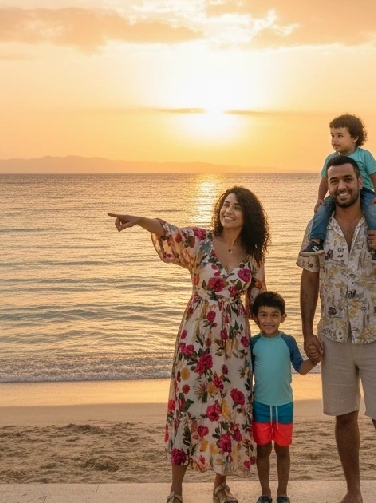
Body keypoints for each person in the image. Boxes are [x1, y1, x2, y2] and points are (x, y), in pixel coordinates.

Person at [109, 186, 270, 503]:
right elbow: (169, 231)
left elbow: (259, 304)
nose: (229, 210)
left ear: (247, 216)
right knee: (187, 406)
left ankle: (220, 486)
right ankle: (176, 489)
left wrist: (278, 342)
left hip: (234, 344)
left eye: (237, 207)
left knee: (229, 407)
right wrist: (140, 219)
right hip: (195, 338)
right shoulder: (201, 241)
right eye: (226, 204)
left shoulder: (252, 259)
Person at [298, 155, 376, 503]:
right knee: (343, 419)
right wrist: (307, 332)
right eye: (334, 181)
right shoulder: (317, 228)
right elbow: (309, 279)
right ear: (328, 184)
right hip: (334, 338)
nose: (341, 187)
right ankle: (354, 491)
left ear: (360, 181)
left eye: (347, 179)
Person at [250, 291, 318, 503]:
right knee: (263, 450)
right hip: (260, 405)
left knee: (282, 451)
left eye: (274, 315)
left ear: (283, 317)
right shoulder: (252, 343)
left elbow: (301, 368)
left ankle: (282, 493)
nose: (268, 320)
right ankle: (265, 493)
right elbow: (246, 374)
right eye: (263, 315)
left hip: (284, 405)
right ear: (255, 317)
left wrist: (315, 360)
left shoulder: (288, 341)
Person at [300, 114, 376, 265]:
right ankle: (315, 242)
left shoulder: (364, 156)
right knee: (322, 210)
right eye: (332, 136)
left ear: (354, 137)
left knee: (374, 213)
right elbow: (325, 181)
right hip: (338, 195)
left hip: (364, 193)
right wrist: (320, 198)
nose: (334, 140)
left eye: (339, 136)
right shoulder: (330, 159)